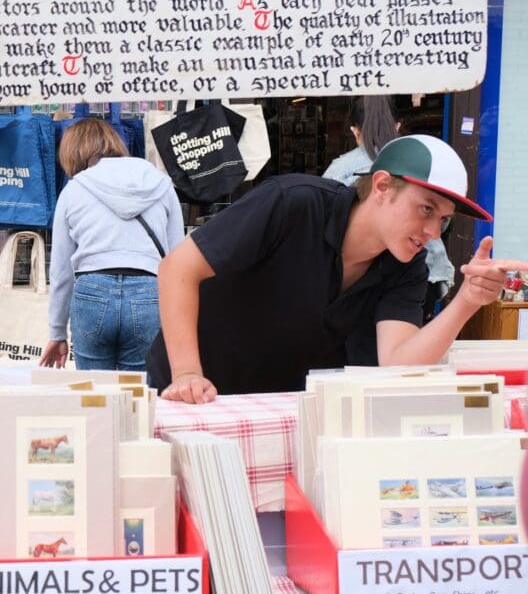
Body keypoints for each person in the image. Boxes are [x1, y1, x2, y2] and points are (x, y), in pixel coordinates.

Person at [148, 134, 528, 403]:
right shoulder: (292, 203)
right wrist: (187, 375)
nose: (431, 232)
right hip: (192, 388)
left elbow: (396, 362)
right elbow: (177, 269)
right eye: (426, 208)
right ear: (382, 186)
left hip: (279, 405)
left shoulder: (406, 267)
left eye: (443, 220)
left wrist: (467, 300)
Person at [40, 118, 184, 371]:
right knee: (140, 396)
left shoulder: (74, 190)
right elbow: (178, 261)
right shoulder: (161, 185)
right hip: (148, 292)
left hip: (91, 292)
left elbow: (61, 272)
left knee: (95, 397)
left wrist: (57, 332)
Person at [323, 97, 454, 319]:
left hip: (374, 282)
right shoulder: (417, 164)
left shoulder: (340, 169)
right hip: (431, 272)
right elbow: (445, 221)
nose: (433, 231)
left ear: (355, 131)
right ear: (398, 126)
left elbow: (325, 217)